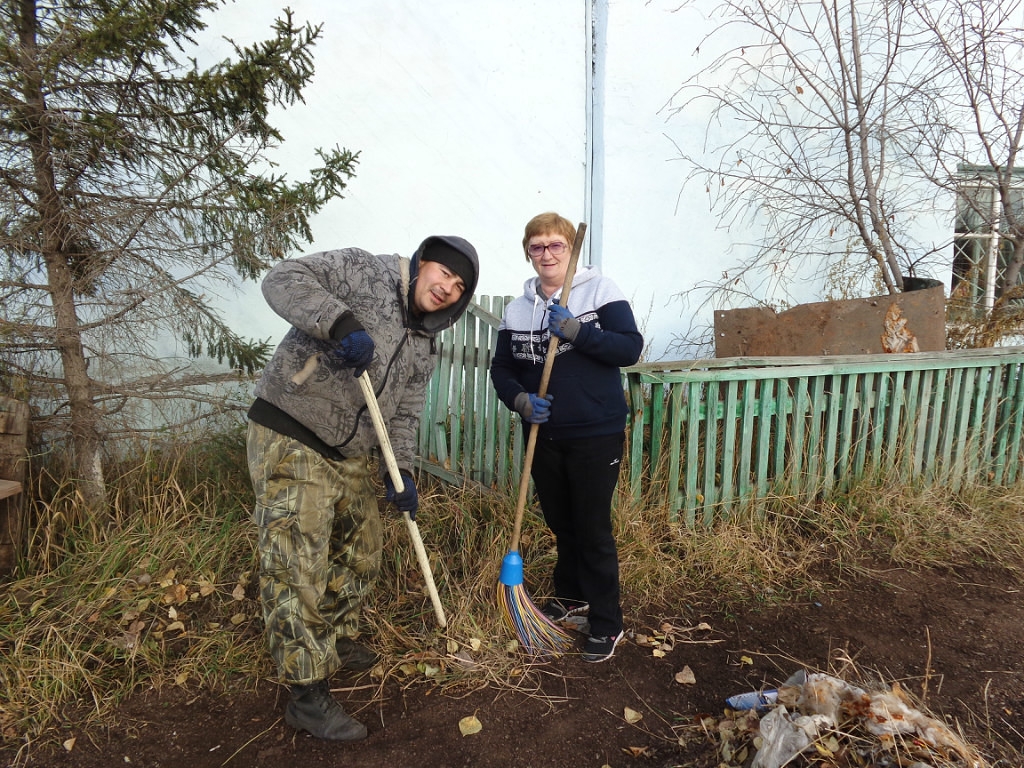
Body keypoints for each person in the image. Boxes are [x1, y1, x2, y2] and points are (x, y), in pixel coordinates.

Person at [246, 236, 479, 740]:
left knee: (363, 550)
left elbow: (405, 411)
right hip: (291, 426)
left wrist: (404, 472)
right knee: (296, 561)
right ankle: (306, 694)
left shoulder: (424, 341)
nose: (447, 289)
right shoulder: (361, 271)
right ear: (422, 264)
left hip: (348, 450)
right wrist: (339, 322)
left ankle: (334, 636)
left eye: (459, 288)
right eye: (444, 274)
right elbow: (281, 278)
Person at [489, 212, 643, 663]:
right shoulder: (518, 309)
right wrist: (519, 400)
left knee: (592, 528)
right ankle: (572, 595)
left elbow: (629, 348)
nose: (547, 254)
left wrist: (578, 331)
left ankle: (606, 621)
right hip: (544, 434)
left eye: (556, 245)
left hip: (596, 432)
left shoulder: (600, 291)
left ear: (570, 251)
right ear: (528, 253)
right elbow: (502, 368)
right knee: (562, 523)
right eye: (537, 247)